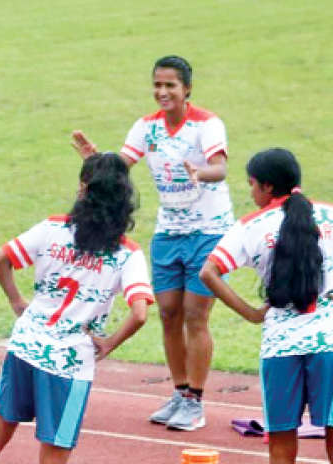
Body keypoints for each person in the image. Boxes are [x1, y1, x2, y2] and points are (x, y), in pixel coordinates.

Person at [0, 152, 153, 464]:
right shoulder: (127, 253)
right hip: (69, 361)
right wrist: (109, 344)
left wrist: (16, 301)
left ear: (83, 189)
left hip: (25, 345)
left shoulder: (52, 227)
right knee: (53, 459)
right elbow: (139, 314)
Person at [72, 55, 231, 430]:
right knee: (169, 313)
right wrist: (96, 161)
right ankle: (180, 392)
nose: (162, 92)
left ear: (187, 88)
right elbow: (119, 167)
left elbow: (220, 167)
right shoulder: (147, 127)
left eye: (170, 85)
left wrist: (200, 172)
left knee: (195, 314)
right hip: (168, 232)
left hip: (208, 231)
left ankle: (195, 401)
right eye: (157, 85)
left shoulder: (206, 124)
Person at [200, 148, 333, 464]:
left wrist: (251, 313)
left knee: (281, 454)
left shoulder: (250, 227)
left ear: (267, 186)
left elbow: (208, 272)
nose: (251, 193)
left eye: (251, 185)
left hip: (280, 347)